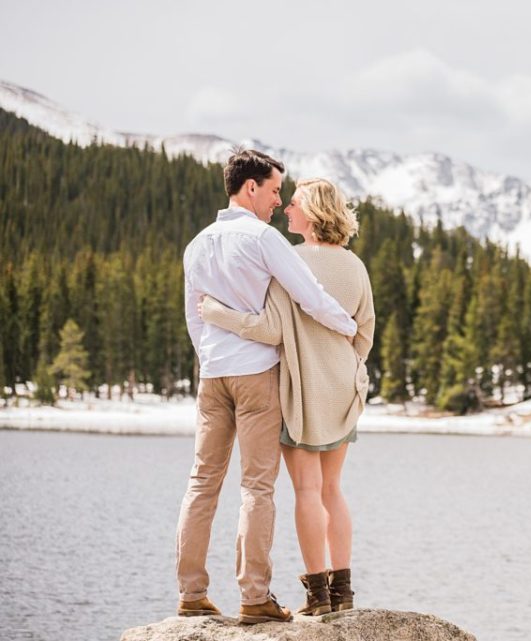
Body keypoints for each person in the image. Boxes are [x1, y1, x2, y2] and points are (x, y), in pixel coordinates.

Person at [177, 150, 358, 625]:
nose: (279, 200)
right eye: (275, 190)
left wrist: (209, 359)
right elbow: (310, 296)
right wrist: (346, 327)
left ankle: (191, 594)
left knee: (201, 483)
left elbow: (195, 316)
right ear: (251, 187)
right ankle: (255, 597)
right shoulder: (264, 238)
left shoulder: (197, 244)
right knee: (257, 487)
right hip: (257, 374)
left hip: (212, 375)